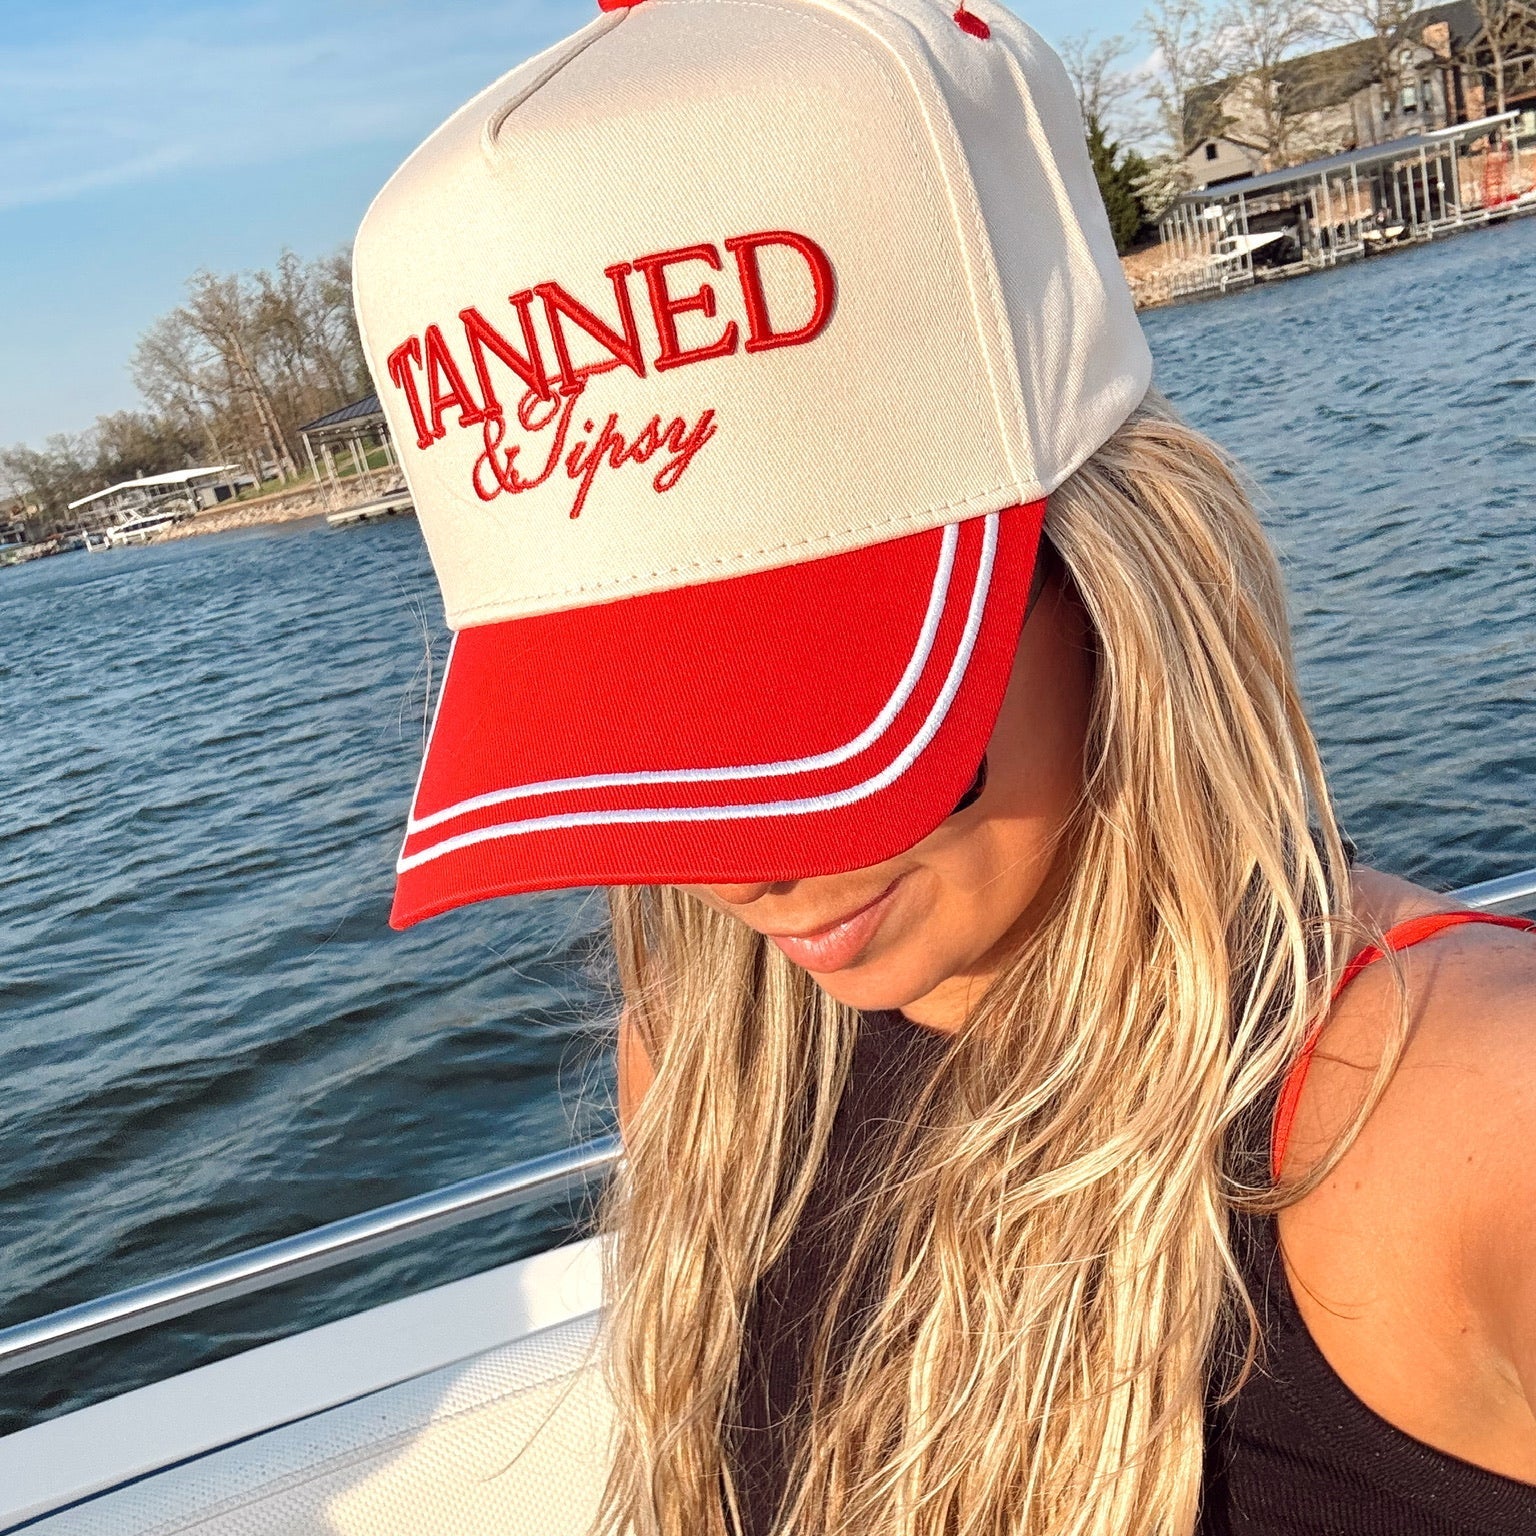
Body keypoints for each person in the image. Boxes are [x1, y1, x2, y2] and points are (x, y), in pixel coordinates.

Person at [352, 1, 1536, 1531]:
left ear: (1111, 567)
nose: (736, 866)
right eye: (633, 739)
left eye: (798, 709)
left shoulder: (1447, 1125)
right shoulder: (706, 1067)